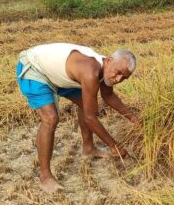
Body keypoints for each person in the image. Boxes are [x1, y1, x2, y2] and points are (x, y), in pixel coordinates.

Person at [16, 43, 139, 193]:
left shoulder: (106, 73)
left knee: (85, 102)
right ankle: (45, 177)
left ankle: (89, 149)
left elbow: (109, 96)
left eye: (124, 77)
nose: (118, 79)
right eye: (118, 72)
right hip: (35, 69)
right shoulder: (90, 71)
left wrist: (134, 119)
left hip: (57, 75)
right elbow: (90, 118)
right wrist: (113, 145)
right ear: (109, 60)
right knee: (50, 118)